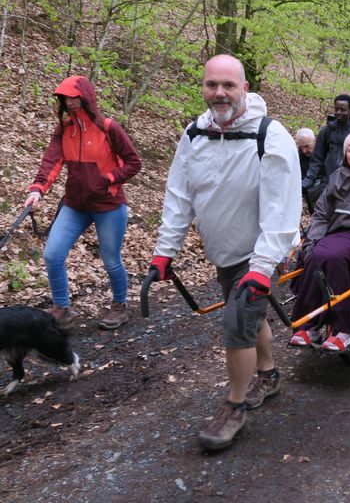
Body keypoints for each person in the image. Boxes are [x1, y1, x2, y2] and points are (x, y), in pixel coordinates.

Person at [149, 54, 301, 450]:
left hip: (260, 252)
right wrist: (166, 251)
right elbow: (179, 195)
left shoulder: (270, 136)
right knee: (249, 320)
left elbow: (281, 209)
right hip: (224, 251)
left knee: (237, 324)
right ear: (203, 87)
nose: (219, 92)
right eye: (212, 84)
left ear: (244, 89)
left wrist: (263, 265)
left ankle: (234, 407)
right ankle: (267, 376)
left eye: (228, 85)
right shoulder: (194, 135)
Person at [25, 76, 141, 330]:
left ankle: (119, 306)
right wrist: (37, 191)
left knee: (111, 260)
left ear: (86, 97)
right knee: (53, 254)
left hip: (108, 206)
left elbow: (134, 163)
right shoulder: (64, 129)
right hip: (75, 205)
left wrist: (109, 178)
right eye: (65, 98)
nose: (70, 102)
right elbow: (51, 163)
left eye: (74, 97)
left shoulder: (109, 128)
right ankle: (62, 309)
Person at [289, 131, 350, 350]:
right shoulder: (338, 175)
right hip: (334, 232)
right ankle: (309, 327)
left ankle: (344, 329)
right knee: (313, 256)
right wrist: (312, 238)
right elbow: (322, 212)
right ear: (345, 155)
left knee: (330, 257)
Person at [301, 94, 350, 196]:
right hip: (326, 183)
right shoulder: (326, 131)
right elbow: (317, 159)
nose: (338, 112)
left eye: (342, 110)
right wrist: (308, 180)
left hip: (348, 186)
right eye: (336, 109)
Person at [295, 127, 322, 211]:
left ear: (314, 141)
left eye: (307, 146)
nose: (304, 150)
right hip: (307, 193)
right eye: (301, 147)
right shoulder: (297, 157)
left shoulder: (324, 153)